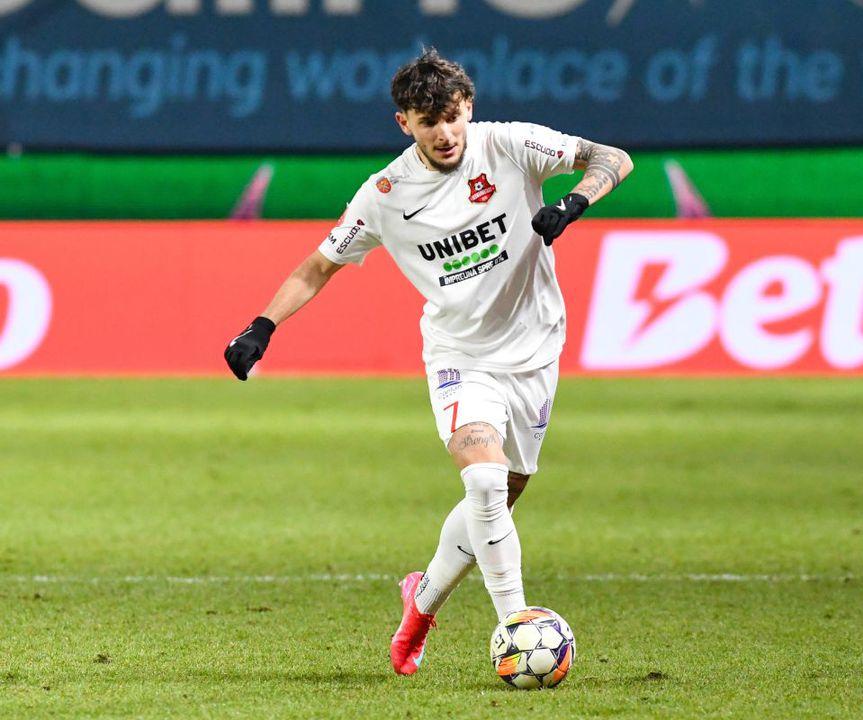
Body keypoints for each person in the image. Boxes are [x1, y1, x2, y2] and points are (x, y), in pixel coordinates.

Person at [223, 47, 633, 676]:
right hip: (458, 355)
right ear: (404, 123)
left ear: (469, 107)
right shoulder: (385, 194)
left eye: (453, 116)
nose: (445, 133)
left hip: (535, 349)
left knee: (503, 494)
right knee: (484, 483)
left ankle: (421, 603)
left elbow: (613, 158)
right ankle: (517, 628)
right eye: (427, 121)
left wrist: (572, 203)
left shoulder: (509, 144)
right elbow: (318, 266)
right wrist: (263, 325)